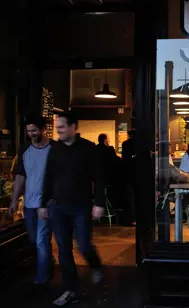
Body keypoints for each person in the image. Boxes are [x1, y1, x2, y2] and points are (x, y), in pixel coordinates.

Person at [38, 112, 105, 306]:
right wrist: (43, 203)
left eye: (62, 127)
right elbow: (48, 177)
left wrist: (99, 202)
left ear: (73, 127)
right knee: (64, 250)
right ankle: (71, 289)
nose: (58, 130)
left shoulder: (89, 149)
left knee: (83, 245)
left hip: (81, 205)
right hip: (58, 207)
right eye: (57, 127)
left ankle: (95, 265)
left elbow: (98, 178)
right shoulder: (55, 149)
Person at [9, 114, 54, 292]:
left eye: (34, 130)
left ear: (43, 129)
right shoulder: (24, 150)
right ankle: (47, 263)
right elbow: (20, 176)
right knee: (34, 239)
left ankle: (42, 276)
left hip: (47, 203)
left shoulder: (54, 149)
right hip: (29, 204)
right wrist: (14, 200)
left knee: (42, 239)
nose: (31, 134)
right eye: (28, 131)